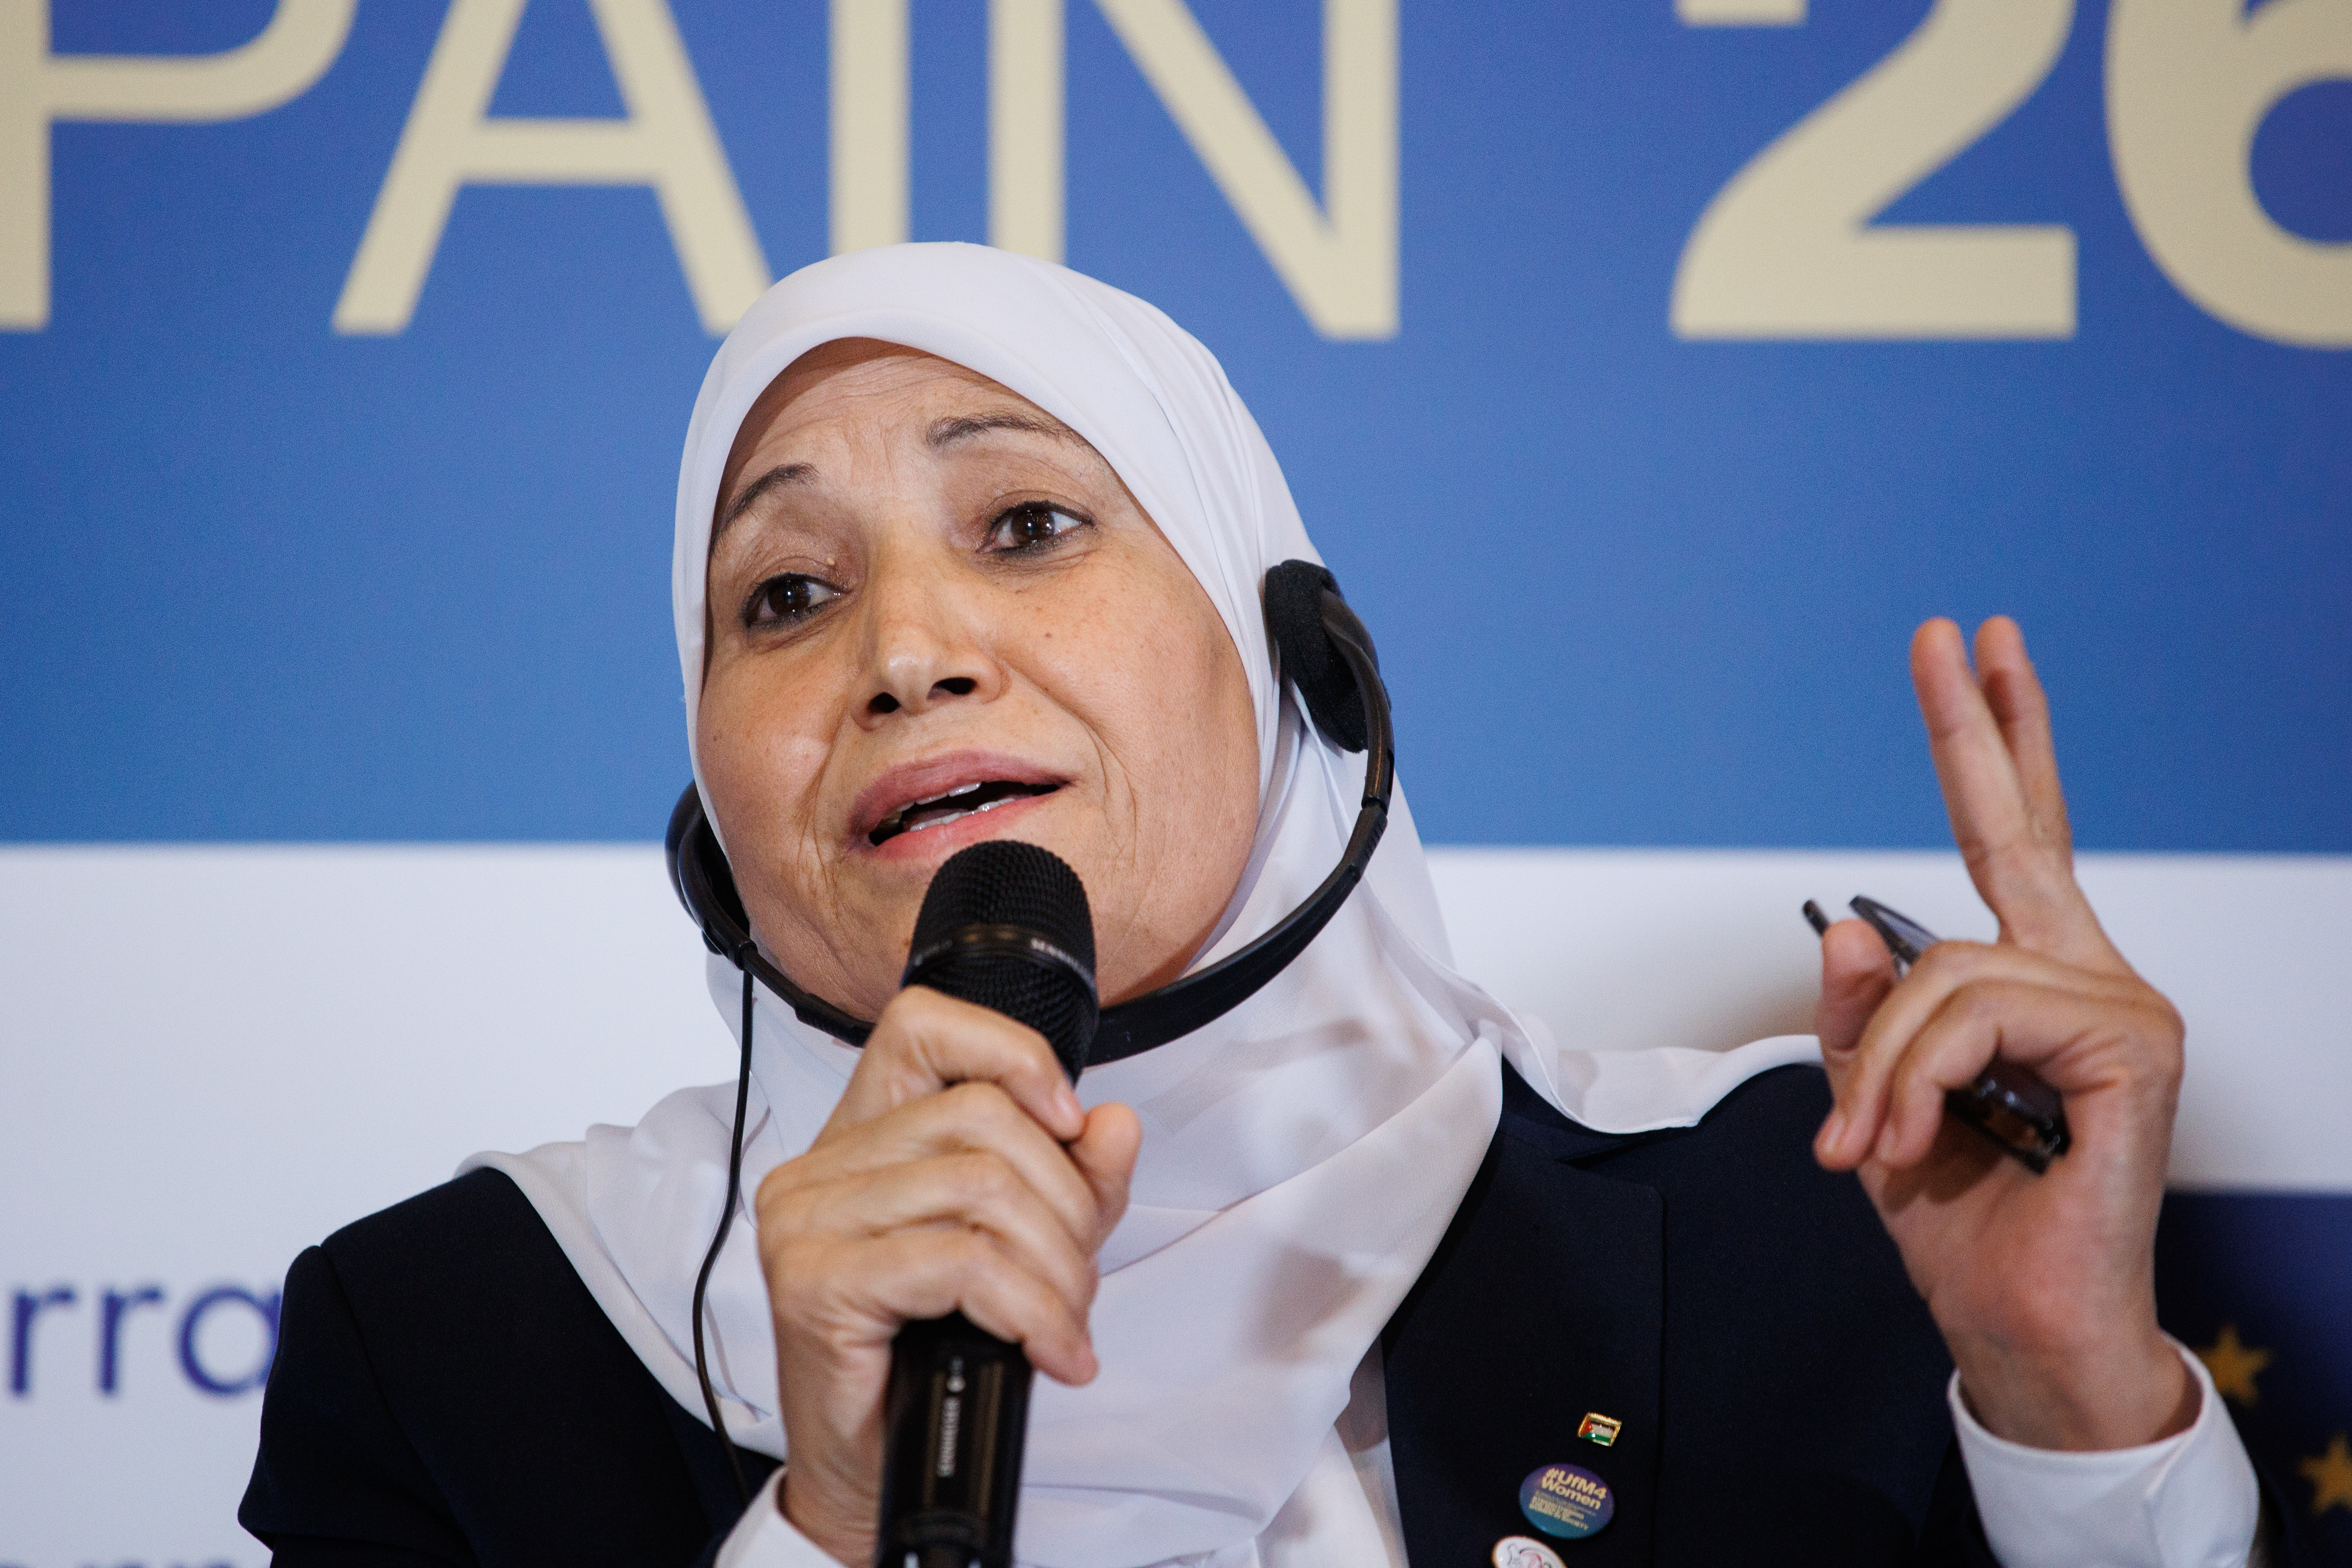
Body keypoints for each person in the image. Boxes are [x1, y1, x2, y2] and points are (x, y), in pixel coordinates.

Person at [239, 244, 2303, 1568]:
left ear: (1297, 661)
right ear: (714, 822)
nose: (912, 651)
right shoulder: (462, 1347)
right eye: (786, 594)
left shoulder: (1811, 1216)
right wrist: (839, 1525)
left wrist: (2071, 1411)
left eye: (1029, 523)